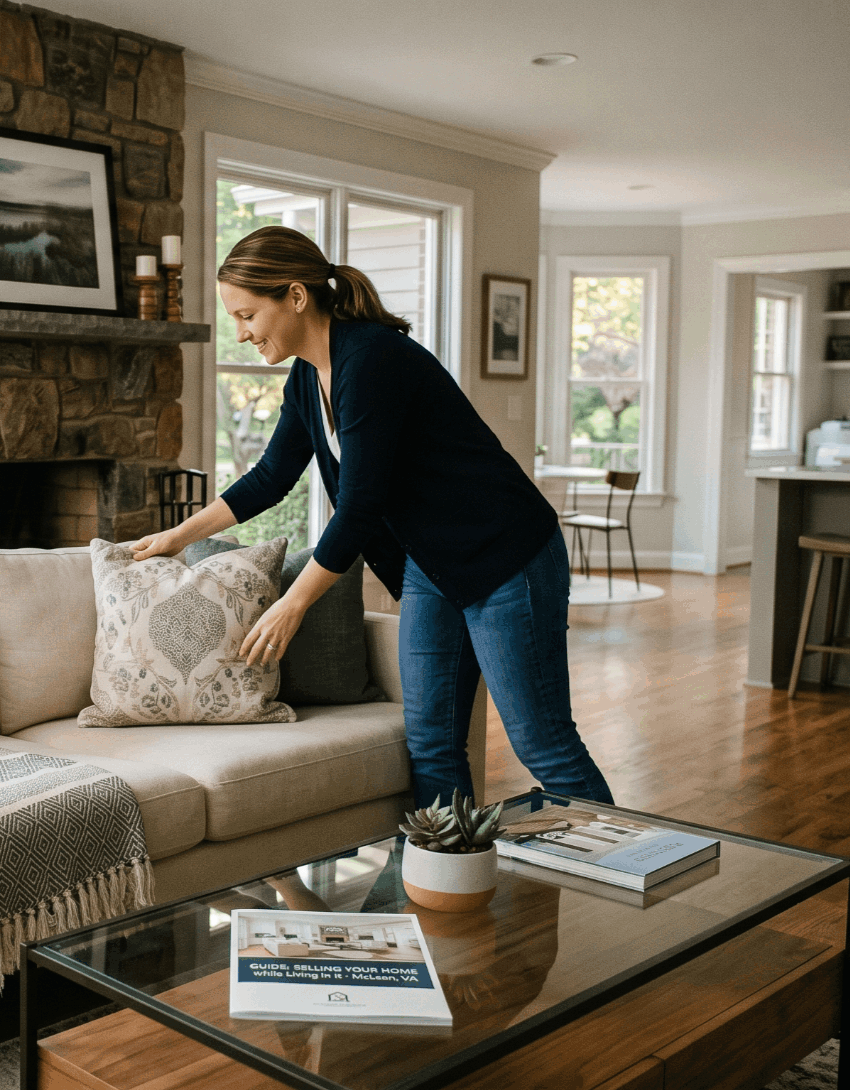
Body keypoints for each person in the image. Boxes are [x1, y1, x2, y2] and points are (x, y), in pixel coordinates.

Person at [132, 226, 613, 809]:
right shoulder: (309, 377)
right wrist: (179, 536)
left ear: (296, 296)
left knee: (544, 744)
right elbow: (271, 477)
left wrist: (295, 602)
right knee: (432, 745)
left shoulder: (372, 359)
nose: (242, 333)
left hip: (506, 556)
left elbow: (360, 506)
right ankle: (447, 886)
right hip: (432, 565)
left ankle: (630, 866)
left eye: (248, 314)